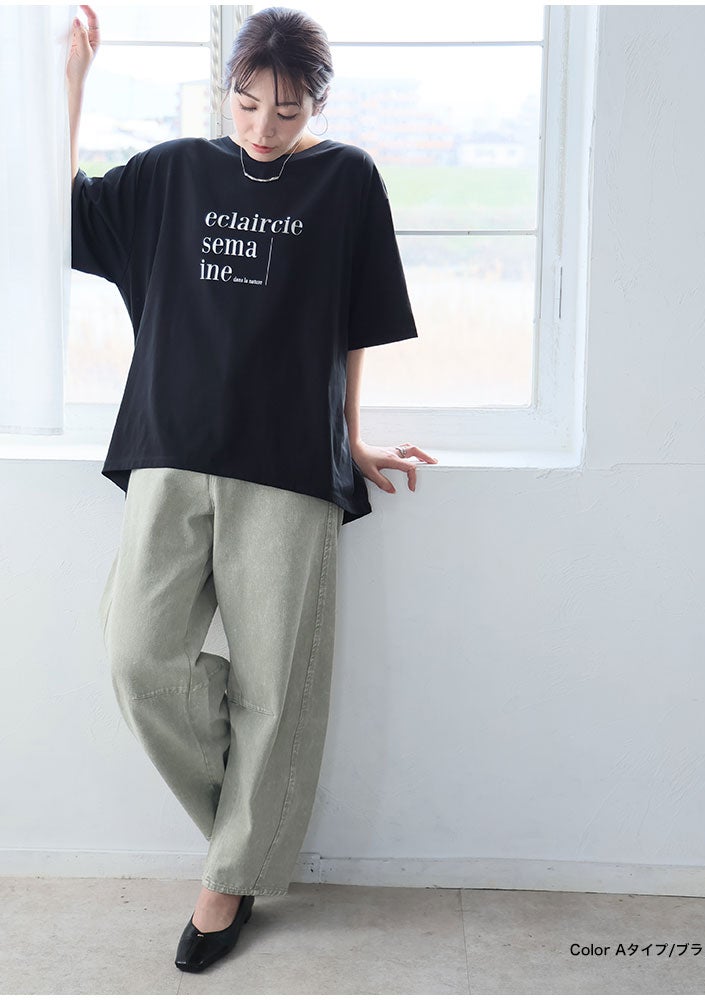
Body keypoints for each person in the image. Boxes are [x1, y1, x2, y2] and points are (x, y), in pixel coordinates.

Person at [67, 3, 437, 974]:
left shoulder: (346, 180)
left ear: (317, 102)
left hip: (287, 462)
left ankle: (228, 879)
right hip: (170, 448)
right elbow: (59, 209)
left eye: (285, 110)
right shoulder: (175, 173)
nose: (261, 128)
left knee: (279, 682)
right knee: (136, 656)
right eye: (245, 103)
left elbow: (353, 322)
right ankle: (257, 816)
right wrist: (72, 82)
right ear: (224, 87)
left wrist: (348, 436)